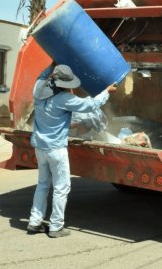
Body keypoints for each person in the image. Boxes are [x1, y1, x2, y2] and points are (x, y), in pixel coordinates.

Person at [27, 63, 117, 238]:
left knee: (43, 185)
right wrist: (107, 92)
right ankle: (56, 227)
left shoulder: (38, 89)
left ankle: (34, 222)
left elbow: (41, 75)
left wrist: (52, 64)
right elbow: (90, 105)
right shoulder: (63, 100)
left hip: (40, 147)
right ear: (65, 84)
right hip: (56, 149)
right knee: (62, 187)